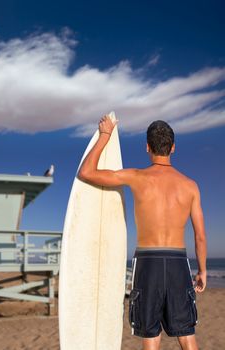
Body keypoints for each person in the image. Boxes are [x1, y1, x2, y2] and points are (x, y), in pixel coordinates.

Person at [77, 115, 207, 350]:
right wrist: (203, 271)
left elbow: (86, 172)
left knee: (151, 335)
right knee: (187, 335)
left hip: (148, 262)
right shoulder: (190, 186)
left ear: (147, 147)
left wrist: (105, 135)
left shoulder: (136, 177)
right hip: (178, 262)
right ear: (173, 147)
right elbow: (200, 236)